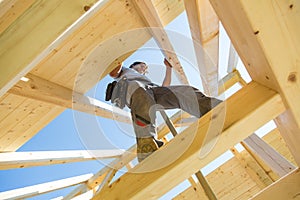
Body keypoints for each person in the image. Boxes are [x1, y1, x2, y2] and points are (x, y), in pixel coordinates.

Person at [108, 59, 222, 162]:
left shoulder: (145, 78)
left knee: (185, 92)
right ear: (134, 65)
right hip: (133, 89)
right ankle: (146, 143)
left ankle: (211, 107)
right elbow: (113, 72)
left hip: (151, 89)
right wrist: (119, 59)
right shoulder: (126, 71)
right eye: (142, 66)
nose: (144, 69)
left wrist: (168, 68)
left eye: (145, 67)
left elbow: (165, 86)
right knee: (140, 94)